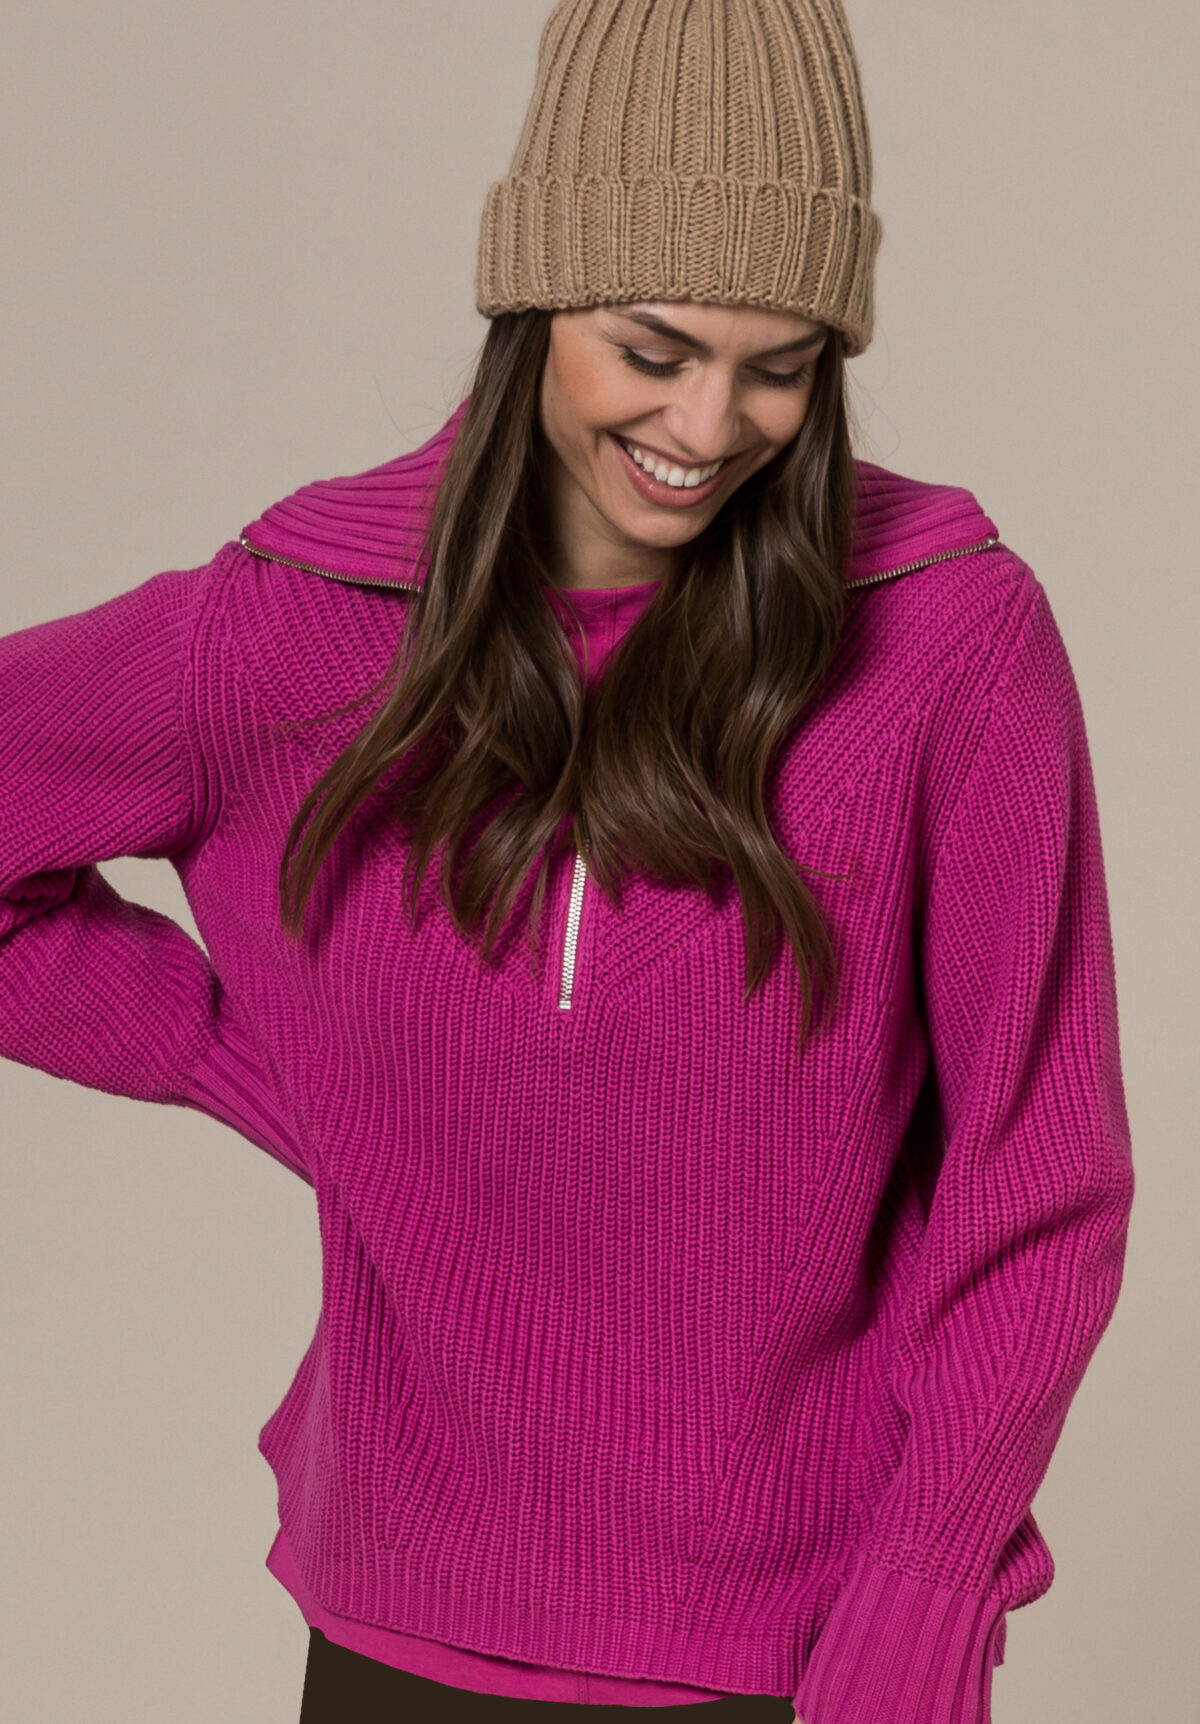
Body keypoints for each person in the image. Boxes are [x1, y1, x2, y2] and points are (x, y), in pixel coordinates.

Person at [0, 1, 1135, 1721]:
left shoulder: (947, 646)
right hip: (397, 1633)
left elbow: (1038, 1173)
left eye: (782, 363)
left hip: (809, 1654)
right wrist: (255, 1063)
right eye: (652, 346)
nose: (712, 422)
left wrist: (928, 1581)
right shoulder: (292, 632)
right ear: (532, 303)